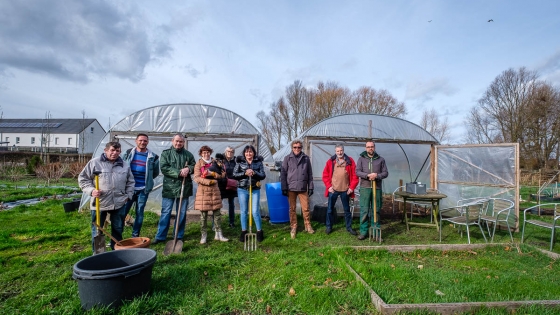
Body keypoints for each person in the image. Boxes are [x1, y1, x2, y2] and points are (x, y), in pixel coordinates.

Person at [78, 141, 135, 252]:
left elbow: (130, 182)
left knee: (118, 228)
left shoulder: (124, 165)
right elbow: (83, 179)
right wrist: (91, 190)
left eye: (117, 151)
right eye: (112, 150)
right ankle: (98, 252)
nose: (114, 153)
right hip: (100, 203)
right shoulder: (94, 163)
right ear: (106, 150)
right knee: (98, 230)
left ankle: (116, 250)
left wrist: (128, 195)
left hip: (118, 202)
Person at [153, 134, 196, 244]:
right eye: (177, 141)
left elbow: (194, 166)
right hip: (170, 188)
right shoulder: (166, 154)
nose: (178, 143)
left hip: (184, 187)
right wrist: (179, 172)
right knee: (166, 212)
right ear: (172, 141)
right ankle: (160, 236)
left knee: (181, 213)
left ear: (183, 142)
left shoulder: (188, 154)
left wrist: (188, 169)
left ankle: (178, 235)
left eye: (181, 142)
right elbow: (164, 168)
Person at [122, 133, 160, 238]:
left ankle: (135, 235)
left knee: (140, 212)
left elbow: (155, 172)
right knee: (123, 211)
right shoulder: (128, 153)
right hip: (128, 189)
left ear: (147, 142)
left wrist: (147, 179)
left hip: (143, 189)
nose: (142, 142)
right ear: (136, 141)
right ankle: (117, 236)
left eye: (145, 141)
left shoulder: (153, 157)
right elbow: (120, 165)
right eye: (140, 140)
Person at [194, 145, 229, 244]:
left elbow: (222, 175)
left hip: (215, 191)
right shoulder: (198, 164)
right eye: (204, 153)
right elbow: (196, 178)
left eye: (208, 152)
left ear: (210, 153)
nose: (206, 154)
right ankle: (203, 235)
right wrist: (208, 181)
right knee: (203, 215)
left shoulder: (216, 162)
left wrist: (213, 174)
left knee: (217, 214)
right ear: (201, 154)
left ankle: (219, 234)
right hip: (203, 192)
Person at [321, 144, 359, 235]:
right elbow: (325, 175)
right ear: (335, 151)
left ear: (343, 150)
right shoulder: (331, 161)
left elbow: (355, 176)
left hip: (346, 190)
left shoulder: (350, 161)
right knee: (330, 209)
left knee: (347, 210)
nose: (339, 152)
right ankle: (329, 227)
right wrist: (329, 187)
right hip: (333, 190)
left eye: (341, 150)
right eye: (337, 151)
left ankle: (349, 227)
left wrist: (351, 188)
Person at [280, 139, 314, 239]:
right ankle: (293, 227)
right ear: (292, 148)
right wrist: (284, 187)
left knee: (306, 208)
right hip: (291, 187)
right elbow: (283, 174)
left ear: (301, 148)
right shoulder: (287, 158)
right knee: (292, 209)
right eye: (295, 147)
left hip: (303, 187)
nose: (297, 149)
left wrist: (311, 187)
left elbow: (310, 174)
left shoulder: (306, 159)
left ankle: (308, 225)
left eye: (299, 147)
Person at [355, 140, 389, 240]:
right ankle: (363, 232)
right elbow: (357, 172)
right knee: (364, 210)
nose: (370, 148)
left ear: (374, 147)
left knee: (376, 210)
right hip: (365, 188)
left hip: (377, 189)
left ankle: (376, 232)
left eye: (372, 146)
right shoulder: (361, 159)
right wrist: (367, 175)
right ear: (366, 148)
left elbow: (385, 173)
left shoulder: (380, 159)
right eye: (368, 147)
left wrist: (377, 175)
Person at [233, 145, 266, 242]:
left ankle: (259, 231)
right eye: (247, 152)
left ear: (254, 153)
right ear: (244, 153)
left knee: (255, 211)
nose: (249, 154)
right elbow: (234, 175)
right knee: (244, 211)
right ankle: (244, 231)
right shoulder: (240, 162)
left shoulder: (258, 162)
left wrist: (254, 172)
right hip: (242, 189)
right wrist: (244, 173)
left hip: (255, 189)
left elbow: (263, 175)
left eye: (250, 152)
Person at [217, 146, 238, 227]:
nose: (230, 153)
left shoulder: (235, 161)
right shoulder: (220, 160)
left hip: (231, 185)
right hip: (222, 185)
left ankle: (231, 222)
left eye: (232, 151)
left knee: (231, 204)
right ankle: (215, 224)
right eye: (228, 151)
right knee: (218, 204)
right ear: (225, 152)